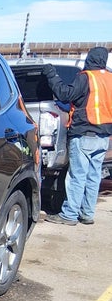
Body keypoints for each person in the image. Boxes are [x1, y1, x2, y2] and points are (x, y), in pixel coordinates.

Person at [43, 46, 112, 225]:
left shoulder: (86, 77)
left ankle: (69, 215)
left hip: (84, 134)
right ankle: (87, 214)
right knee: (93, 176)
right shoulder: (109, 79)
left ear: (90, 58)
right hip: (103, 137)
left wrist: (52, 75)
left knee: (77, 176)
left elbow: (65, 95)